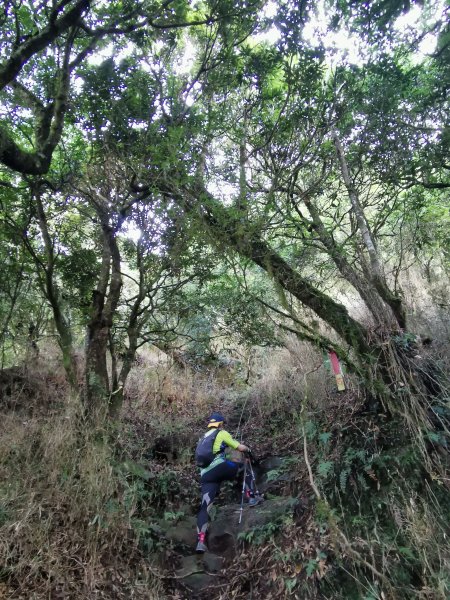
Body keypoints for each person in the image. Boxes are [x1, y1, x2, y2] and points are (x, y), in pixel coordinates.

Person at [195, 412, 263, 553]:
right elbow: (239, 448)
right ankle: (251, 497)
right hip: (218, 467)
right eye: (222, 424)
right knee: (243, 466)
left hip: (206, 475)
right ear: (220, 424)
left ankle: (201, 541)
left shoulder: (203, 437)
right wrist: (249, 450)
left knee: (205, 506)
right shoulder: (221, 433)